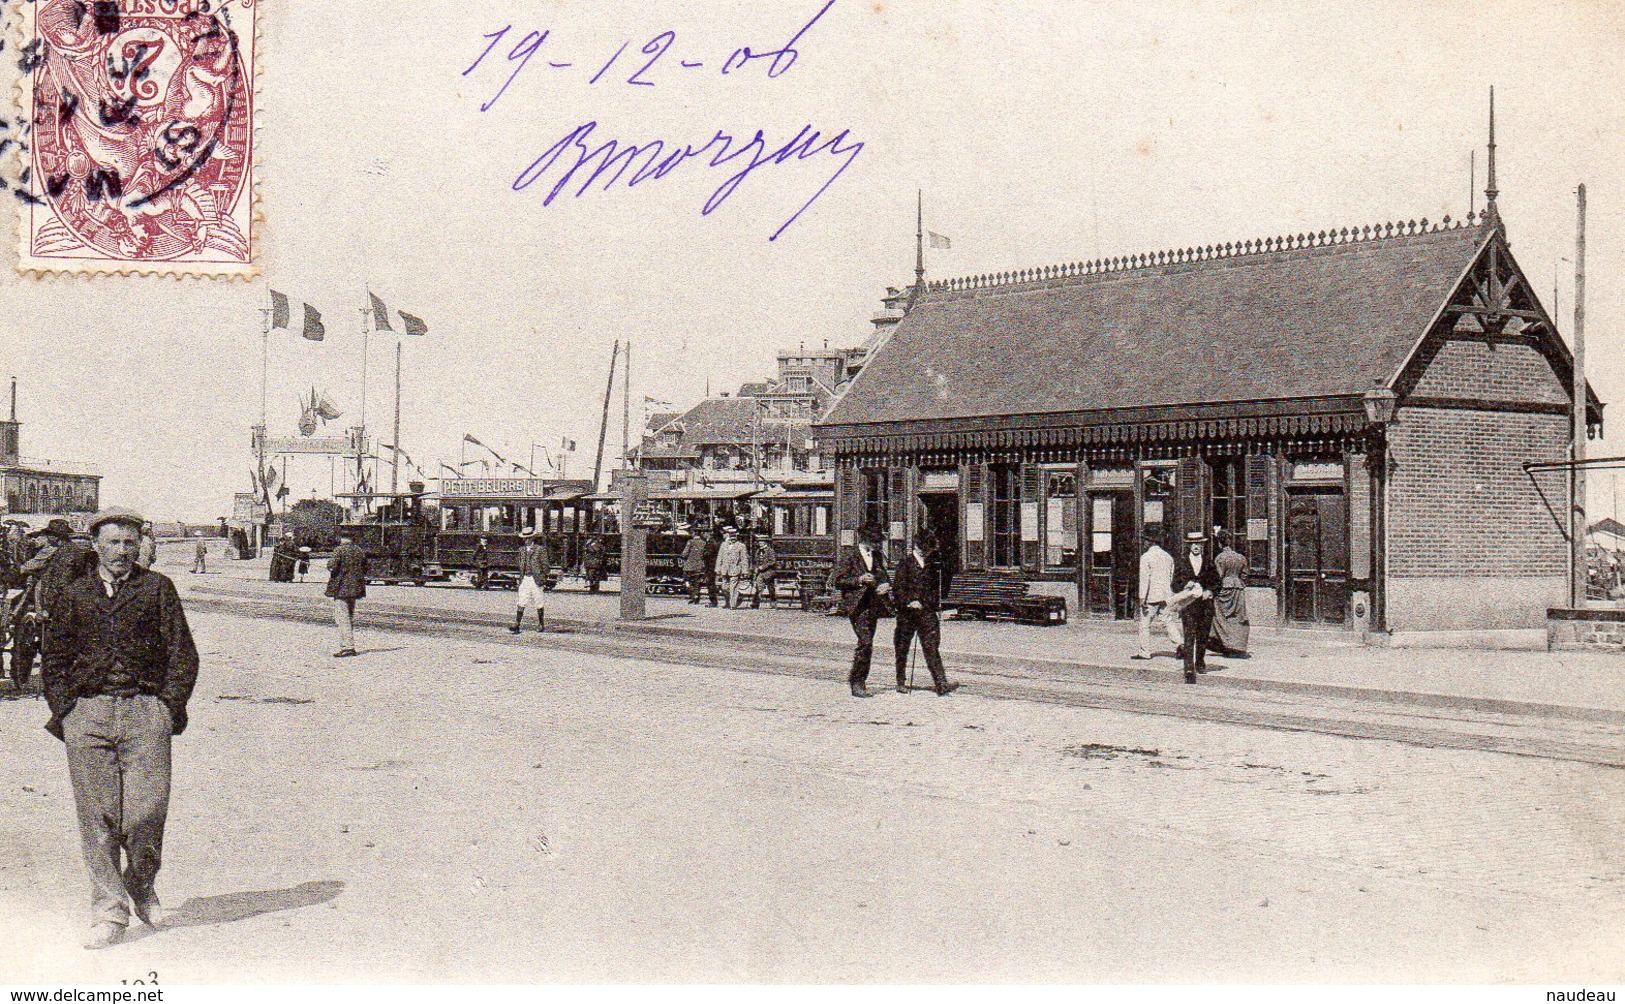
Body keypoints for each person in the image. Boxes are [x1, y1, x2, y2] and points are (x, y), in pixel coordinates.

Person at [41, 508, 198, 950]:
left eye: (130, 543)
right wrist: (67, 708)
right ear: (96, 546)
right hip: (87, 716)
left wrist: (167, 707)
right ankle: (109, 912)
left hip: (145, 713)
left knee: (148, 812)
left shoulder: (157, 589)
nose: (122, 552)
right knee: (98, 818)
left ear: (140, 547)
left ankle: (141, 883)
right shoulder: (74, 593)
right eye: (113, 543)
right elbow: (53, 658)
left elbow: (183, 654)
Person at [14, 519, 97, 691]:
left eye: (49, 534)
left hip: (62, 606)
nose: (46, 537)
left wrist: (46, 609)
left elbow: (59, 585)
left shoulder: (64, 556)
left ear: (55, 537)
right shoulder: (69, 551)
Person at [891, 532, 959, 696]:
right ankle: (901, 681)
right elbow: (898, 588)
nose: (925, 552)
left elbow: (937, 587)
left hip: (927, 611)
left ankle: (941, 683)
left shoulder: (932, 564)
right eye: (923, 549)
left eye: (927, 549)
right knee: (902, 647)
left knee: (932, 647)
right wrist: (910, 601)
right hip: (907, 613)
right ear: (915, 546)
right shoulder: (905, 563)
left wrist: (933, 601)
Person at [829, 521, 892, 698]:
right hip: (857, 604)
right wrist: (859, 580)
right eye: (875, 541)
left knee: (868, 643)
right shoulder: (850, 555)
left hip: (873, 604)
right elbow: (839, 581)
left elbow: (883, 577)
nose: (878, 544)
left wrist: (886, 585)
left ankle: (858, 679)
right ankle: (857, 682)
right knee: (865, 642)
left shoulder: (877, 556)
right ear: (865, 539)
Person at [1170, 529, 1223, 683]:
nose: (1196, 546)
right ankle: (1188, 668)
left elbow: (1217, 583)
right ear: (1189, 545)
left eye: (1198, 544)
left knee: (1203, 636)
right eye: (1193, 544)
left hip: (1205, 605)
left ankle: (1199, 662)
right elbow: (1174, 584)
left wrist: (1210, 592)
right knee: (1189, 636)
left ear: (1202, 545)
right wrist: (1185, 585)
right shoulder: (1181, 562)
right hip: (1189, 605)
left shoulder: (1208, 562)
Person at [1133, 531, 1183, 661]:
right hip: (1166, 595)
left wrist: (1142, 598)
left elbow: (1145, 579)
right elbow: (1171, 577)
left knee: (1144, 624)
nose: (1143, 543)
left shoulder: (1146, 557)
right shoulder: (1168, 557)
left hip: (1151, 596)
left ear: (1151, 542)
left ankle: (1144, 651)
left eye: (1145, 540)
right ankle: (1179, 644)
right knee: (1168, 621)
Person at [325, 531, 367, 658]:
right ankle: (348, 645)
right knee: (349, 616)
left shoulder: (339, 550)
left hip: (341, 587)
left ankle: (348, 647)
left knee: (342, 617)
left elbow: (332, 566)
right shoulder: (359, 550)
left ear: (342, 538)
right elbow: (366, 567)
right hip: (356, 588)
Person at [1211, 528, 1250, 656]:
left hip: (1224, 588)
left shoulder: (1220, 558)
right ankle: (1238, 645)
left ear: (1219, 543)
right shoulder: (1240, 557)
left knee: (1221, 616)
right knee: (1238, 617)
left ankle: (1225, 643)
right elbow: (1245, 575)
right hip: (1238, 588)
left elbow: (1218, 575)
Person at [512, 527, 548, 634]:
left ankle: (541, 624)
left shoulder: (540, 549)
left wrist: (543, 578)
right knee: (522, 600)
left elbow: (545, 566)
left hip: (536, 579)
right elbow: (520, 564)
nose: (526, 540)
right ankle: (517, 624)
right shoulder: (522, 550)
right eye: (524, 538)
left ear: (532, 538)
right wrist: (521, 577)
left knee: (539, 601)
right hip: (525, 578)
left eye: (528, 538)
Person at [715, 526, 750, 608]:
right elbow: (720, 557)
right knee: (724, 587)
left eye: (734, 536)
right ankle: (731, 601)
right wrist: (718, 568)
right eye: (731, 536)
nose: (733, 538)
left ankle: (733, 604)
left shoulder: (741, 546)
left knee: (733, 587)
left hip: (735, 569)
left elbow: (744, 559)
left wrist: (745, 571)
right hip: (725, 569)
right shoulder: (723, 545)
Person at [749, 535, 780, 609]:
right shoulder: (758, 551)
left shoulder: (770, 550)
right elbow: (756, 561)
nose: (760, 543)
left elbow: (773, 561)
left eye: (762, 541)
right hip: (760, 572)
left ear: (766, 542)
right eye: (759, 542)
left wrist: (763, 567)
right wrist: (755, 568)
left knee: (770, 588)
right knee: (759, 586)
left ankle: (773, 601)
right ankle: (755, 603)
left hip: (769, 572)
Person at [680, 532, 707, 604]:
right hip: (699, 566)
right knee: (697, 583)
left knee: (687, 581)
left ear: (693, 534)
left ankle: (693, 596)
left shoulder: (690, 542)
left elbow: (684, 554)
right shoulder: (703, 543)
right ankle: (696, 597)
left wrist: (683, 556)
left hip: (689, 567)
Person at [702, 527, 722, 607]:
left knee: (711, 583)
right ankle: (713, 601)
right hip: (710, 566)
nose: (702, 535)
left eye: (703, 533)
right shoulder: (710, 542)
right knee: (710, 583)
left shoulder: (711, 542)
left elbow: (708, 554)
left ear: (708, 533)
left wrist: (703, 554)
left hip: (711, 566)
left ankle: (713, 601)